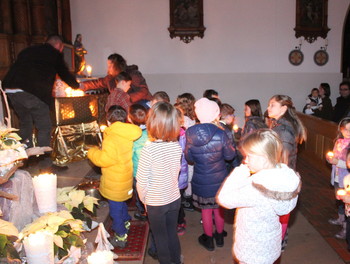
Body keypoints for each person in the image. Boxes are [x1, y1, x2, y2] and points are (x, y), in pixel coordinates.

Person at [217, 129, 301, 264]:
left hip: (252, 249)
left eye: (249, 156)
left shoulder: (257, 188)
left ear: (263, 157)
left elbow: (224, 199)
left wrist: (238, 173)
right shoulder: (283, 177)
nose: (245, 160)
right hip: (269, 245)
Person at [3, 35, 79, 149]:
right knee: (44, 126)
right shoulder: (54, 53)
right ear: (59, 46)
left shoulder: (28, 50)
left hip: (10, 89)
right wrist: (77, 85)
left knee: (26, 125)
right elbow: (64, 73)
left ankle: (14, 152)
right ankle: (45, 163)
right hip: (31, 91)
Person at [185, 97, 236, 251]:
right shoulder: (221, 133)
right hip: (219, 178)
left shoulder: (190, 132)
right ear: (216, 113)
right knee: (218, 208)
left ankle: (209, 240)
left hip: (201, 177)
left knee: (206, 210)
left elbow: (189, 158)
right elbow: (229, 157)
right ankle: (219, 236)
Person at [87, 105, 142, 248]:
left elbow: (104, 160)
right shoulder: (127, 133)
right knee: (122, 202)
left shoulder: (112, 139)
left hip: (115, 180)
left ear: (109, 120)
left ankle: (120, 235)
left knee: (115, 210)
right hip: (125, 177)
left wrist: (92, 152)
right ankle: (126, 221)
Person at [136, 102, 183, 264]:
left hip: (156, 202)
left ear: (152, 124)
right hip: (174, 199)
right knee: (171, 234)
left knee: (160, 238)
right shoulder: (176, 146)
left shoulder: (149, 150)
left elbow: (141, 182)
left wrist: (144, 201)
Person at [267, 94, 306, 249]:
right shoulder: (278, 124)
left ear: (283, 108)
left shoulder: (283, 130)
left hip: (281, 177)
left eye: (272, 105)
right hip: (281, 175)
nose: (268, 108)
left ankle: (277, 243)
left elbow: (283, 161)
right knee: (280, 214)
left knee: (279, 214)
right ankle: (280, 240)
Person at [80, 53, 152, 103]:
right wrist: (81, 85)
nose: (108, 68)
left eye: (110, 66)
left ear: (117, 66)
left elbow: (143, 91)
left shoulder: (133, 74)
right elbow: (98, 83)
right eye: (108, 66)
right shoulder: (110, 78)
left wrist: (125, 99)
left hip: (141, 105)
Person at [326, 117, 350, 239]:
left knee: (347, 203)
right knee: (340, 201)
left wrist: (338, 162)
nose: (348, 132)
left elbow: (347, 163)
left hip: (346, 178)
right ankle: (340, 219)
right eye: (345, 129)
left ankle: (346, 228)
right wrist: (330, 159)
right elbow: (335, 156)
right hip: (337, 176)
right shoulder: (339, 142)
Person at [175, 93, 196, 212]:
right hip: (189, 150)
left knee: (185, 173)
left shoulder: (185, 120)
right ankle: (188, 198)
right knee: (188, 172)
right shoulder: (193, 118)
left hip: (184, 150)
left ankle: (187, 200)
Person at [128, 104, 149, 221]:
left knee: (140, 193)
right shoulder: (152, 132)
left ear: (130, 119)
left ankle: (142, 211)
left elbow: (129, 155)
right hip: (151, 170)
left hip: (138, 172)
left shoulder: (132, 136)